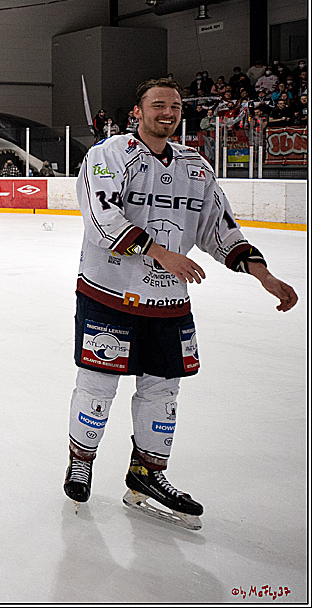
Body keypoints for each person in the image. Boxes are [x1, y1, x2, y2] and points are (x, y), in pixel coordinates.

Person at [63, 77, 298, 530]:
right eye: (157, 105)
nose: (167, 113)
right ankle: (81, 461)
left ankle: (148, 474)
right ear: (138, 111)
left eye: (174, 106)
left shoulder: (197, 168)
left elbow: (219, 229)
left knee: (164, 389)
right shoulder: (109, 154)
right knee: (97, 385)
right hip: (108, 295)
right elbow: (101, 215)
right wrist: (160, 252)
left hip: (169, 303)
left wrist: (262, 273)